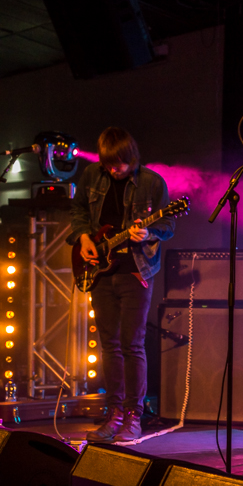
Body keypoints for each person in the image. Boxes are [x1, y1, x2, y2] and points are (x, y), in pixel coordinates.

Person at [68, 127, 175, 443]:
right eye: (109, 165)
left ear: (132, 157)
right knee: (109, 344)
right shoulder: (92, 175)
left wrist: (149, 233)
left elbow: (168, 223)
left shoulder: (152, 182)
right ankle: (113, 413)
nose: (115, 170)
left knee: (132, 344)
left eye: (120, 164)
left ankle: (133, 415)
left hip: (136, 271)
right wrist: (84, 238)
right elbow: (78, 210)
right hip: (101, 272)